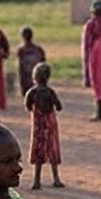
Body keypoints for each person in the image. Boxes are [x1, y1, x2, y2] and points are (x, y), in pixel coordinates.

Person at [25, 62, 64, 190]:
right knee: (52, 149)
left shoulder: (32, 92)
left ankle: (36, 181)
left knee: (38, 149)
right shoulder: (50, 92)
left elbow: (28, 106)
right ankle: (56, 179)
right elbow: (59, 107)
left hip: (38, 125)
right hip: (50, 124)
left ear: (34, 77)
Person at [17, 27, 46, 97]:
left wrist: (21, 84)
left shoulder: (21, 50)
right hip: (38, 79)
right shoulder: (38, 50)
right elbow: (44, 64)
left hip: (26, 79)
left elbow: (20, 68)